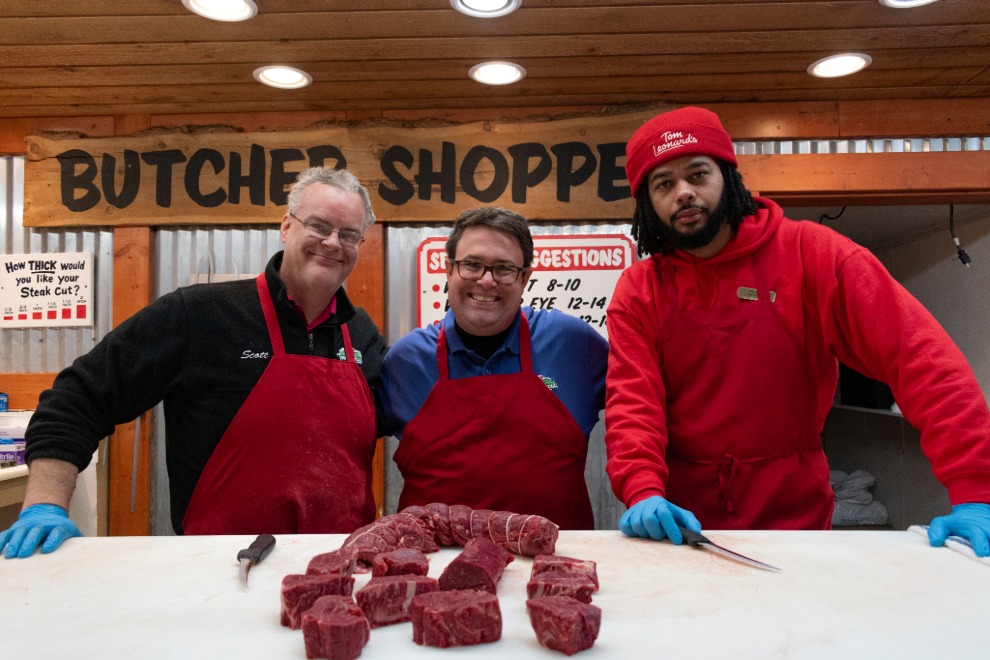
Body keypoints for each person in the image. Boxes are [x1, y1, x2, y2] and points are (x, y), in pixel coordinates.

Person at [605, 106, 990, 555]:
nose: (684, 193)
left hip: (796, 520)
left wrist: (977, 491)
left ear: (728, 176)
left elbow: (923, 362)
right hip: (679, 523)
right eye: (664, 184)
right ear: (647, 203)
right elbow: (635, 402)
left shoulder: (817, 255)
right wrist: (642, 489)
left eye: (697, 174)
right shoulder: (639, 290)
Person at [0, 167, 387, 558]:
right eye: (319, 226)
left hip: (340, 567)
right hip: (218, 571)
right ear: (286, 227)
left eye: (349, 234)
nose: (333, 242)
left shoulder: (362, 335)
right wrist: (44, 505)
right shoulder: (198, 315)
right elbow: (78, 398)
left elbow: (416, 422)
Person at [376, 207, 609, 529]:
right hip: (436, 565)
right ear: (449, 270)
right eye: (472, 265)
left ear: (525, 277)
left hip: (554, 563)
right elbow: (348, 445)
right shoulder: (407, 360)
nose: (486, 281)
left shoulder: (572, 343)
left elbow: (644, 407)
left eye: (503, 268)